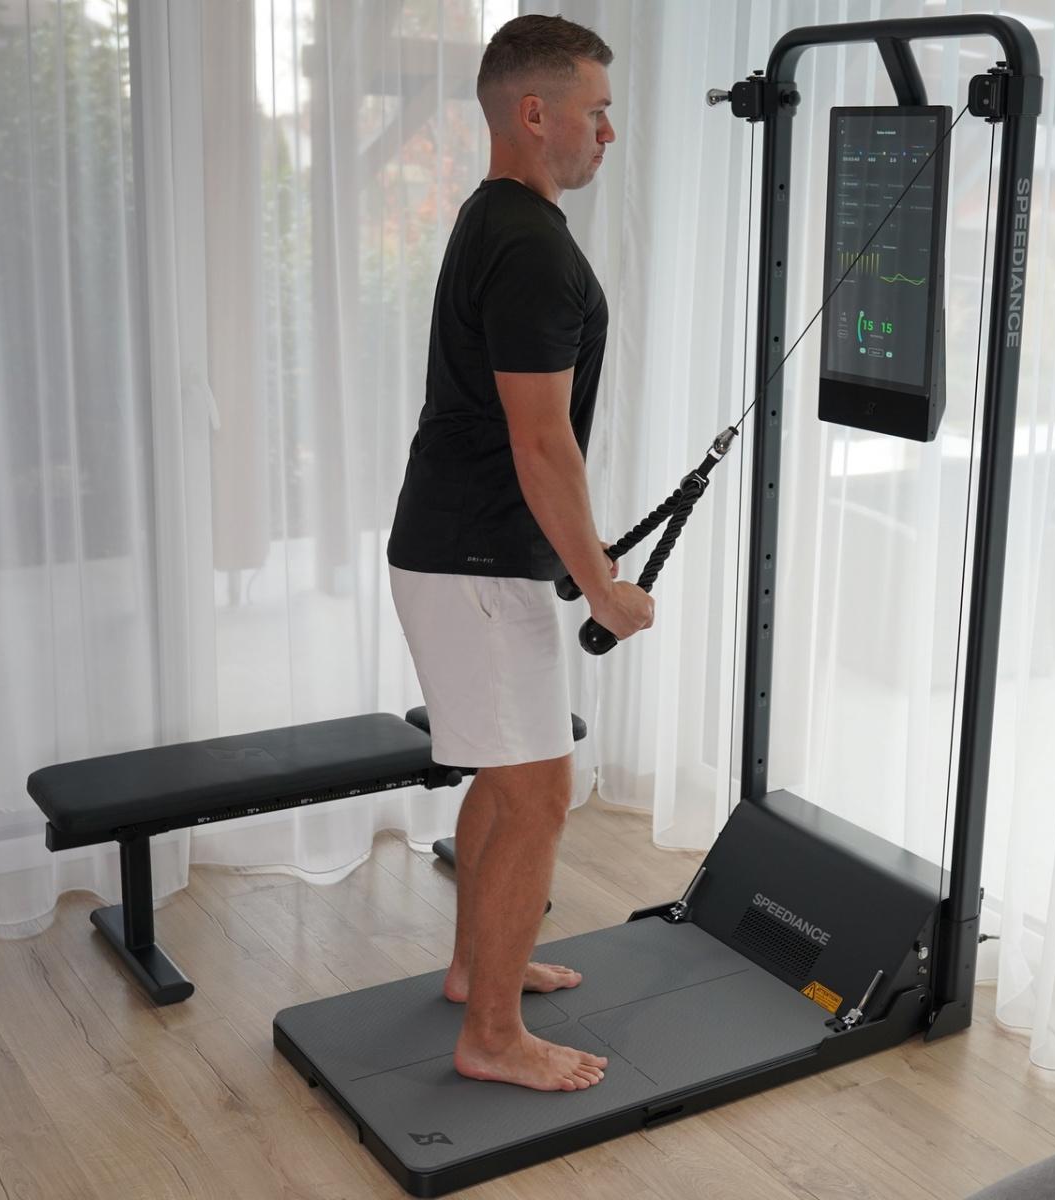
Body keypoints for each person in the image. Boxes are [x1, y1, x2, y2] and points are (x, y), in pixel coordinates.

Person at [386, 15, 652, 1093]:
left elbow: (530, 441)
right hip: (478, 563)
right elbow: (542, 443)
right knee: (543, 791)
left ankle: (474, 972)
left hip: (462, 549)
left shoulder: (494, 214)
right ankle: (492, 1036)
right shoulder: (532, 245)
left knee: (508, 781)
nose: (609, 133)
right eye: (598, 111)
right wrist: (603, 588)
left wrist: (574, 561)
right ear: (536, 113)